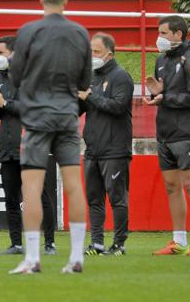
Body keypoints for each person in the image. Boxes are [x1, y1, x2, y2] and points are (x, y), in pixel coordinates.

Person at [8, 0, 91, 274]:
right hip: (68, 115)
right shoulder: (81, 33)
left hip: (37, 118)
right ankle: (77, 256)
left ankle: (32, 259)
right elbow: (85, 81)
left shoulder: (29, 31)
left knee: (31, 187)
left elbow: (15, 76)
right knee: (73, 185)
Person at [0, 36, 57, 255]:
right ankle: (16, 243)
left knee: (40, 196)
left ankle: (49, 243)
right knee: (11, 198)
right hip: (7, 149)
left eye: (1, 53)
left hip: (30, 147)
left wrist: (4, 102)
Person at [144, 15, 190, 256]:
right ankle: (178, 241)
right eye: (159, 33)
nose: (159, 38)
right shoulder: (161, 60)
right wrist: (156, 95)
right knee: (172, 187)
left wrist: (167, 98)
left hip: (187, 132)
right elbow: (165, 94)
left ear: (178, 34)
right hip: (165, 132)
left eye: (163, 33)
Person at [78, 32, 133, 256]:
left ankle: (119, 244)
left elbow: (118, 107)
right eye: (90, 51)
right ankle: (97, 243)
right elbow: (80, 107)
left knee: (117, 198)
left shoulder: (121, 77)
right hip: (93, 149)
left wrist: (89, 97)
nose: (92, 55)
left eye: (96, 51)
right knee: (94, 199)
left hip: (115, 149)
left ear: (109, 53)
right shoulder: (90, 77)